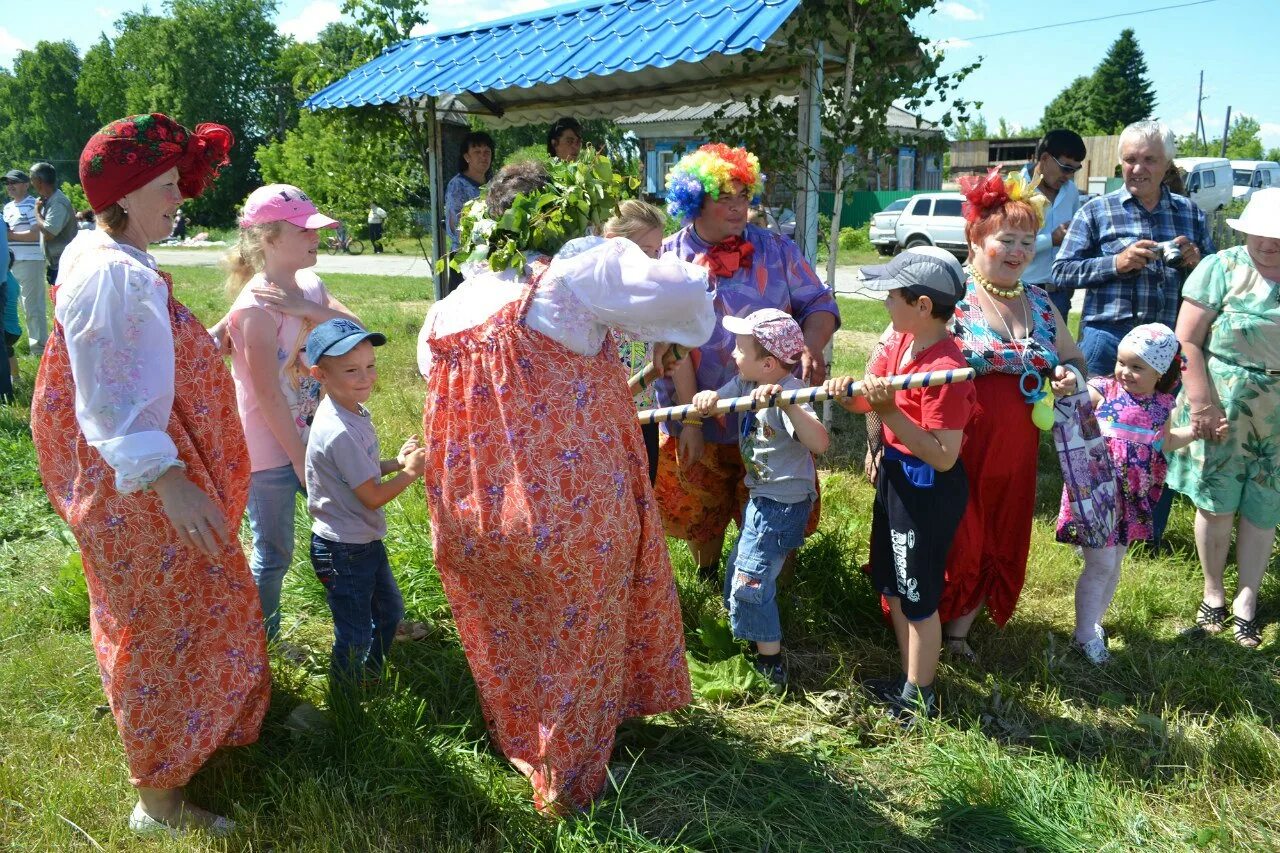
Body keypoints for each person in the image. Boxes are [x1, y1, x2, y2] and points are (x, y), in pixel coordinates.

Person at [417, 158, 715, 812]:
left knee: (511, 629)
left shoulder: (446, 309)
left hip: (469, 509)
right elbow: (690, 306)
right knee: (579, 634)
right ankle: (568, 784)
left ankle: (526, 739)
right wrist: (615, 254)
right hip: (564, 506)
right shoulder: (569, 279)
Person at [30, 113, 268, 834]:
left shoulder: (109, 254)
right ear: (125, 194)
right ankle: (159, 803)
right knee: (159, 622)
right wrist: (169, 479)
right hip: (138, 482)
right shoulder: (113, 274)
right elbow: (111, 393)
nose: (179, 197)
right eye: (166, 185)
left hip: (145, 470)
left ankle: (199, 731)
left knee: (190, 603)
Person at [654, 143, 840, 585]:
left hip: (772, 414)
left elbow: (819, 303)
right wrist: (691, 420)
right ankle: (708, 576)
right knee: (702, 506)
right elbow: (667, 343)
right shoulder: (668, 257)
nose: (739, 207)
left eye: (744, 196)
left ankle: (773, 591)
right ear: (695, 200)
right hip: (699, 409)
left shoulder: (776, 249)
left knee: (777, 506)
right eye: (725, 198)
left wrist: (811, 346)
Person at [940, 168, 1086, 662]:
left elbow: (1074, 358)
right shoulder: (951, 297)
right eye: (1007, 240)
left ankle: (958, 633)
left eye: (1027, 241)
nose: (1019, 251)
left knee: (999, 530)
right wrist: (878, 437)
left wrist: (1068, 375)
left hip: (1017, 449)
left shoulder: (1040, 302)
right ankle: (925, 620)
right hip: (956, 444)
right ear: (975, 239)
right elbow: (892, 358)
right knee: (957, 531)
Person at [826, 247, 974, 724]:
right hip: (896, 478)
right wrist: (850, 395)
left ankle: (921, 695)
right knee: (893, 583)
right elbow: (870, 401)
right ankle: (908, 678)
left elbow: (944, 455)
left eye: (892, 295)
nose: (886, 302)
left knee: (918, 595)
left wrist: (888, 411)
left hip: (927, 490)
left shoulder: (946, 369)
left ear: (923, 305)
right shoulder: (899, 343)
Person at [221, 183, 359, 644]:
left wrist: (305, 308)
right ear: (269, 239)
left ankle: (371, 623)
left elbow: (357, 330)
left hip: (312, 436)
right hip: (270, 452)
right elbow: (267, 397)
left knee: (351, 529)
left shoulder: (309, 288)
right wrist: (300, 461)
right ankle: (263, 645)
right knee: (274, 552)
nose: (316, 237)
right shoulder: (254, 310)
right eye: (304, 231)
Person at [1056, 324, 1213, 664]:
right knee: (1100, 565)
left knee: (1114, 564)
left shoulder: (1161, 405)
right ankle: (1084, 637)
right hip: (1097, 493)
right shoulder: (1105, 390)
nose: (1125, 372)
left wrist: (1193, 433)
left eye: (1137, 367)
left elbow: (1164, 441)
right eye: (1121, 362)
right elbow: (1076, 399)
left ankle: (1093, 624)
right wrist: (1068, 387)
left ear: (1160, 372)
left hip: (1130, 499)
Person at [1166, 188, 1280, 649]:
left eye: (1278, 237)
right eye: (1260, 234)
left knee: (1264, 507)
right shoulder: (1220, 267)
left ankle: (1247, 599)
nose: (1268, 244)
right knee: (1216, 504)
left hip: (1276, 418)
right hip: (1222, 406)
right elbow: (1186, 341)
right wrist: (1202, 405)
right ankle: (1213, 592)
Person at [691, 309, 829, 689]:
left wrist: (788, 405)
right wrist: (707, 399)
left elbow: (819, 443)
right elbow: (718, 403)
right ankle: (748, 637)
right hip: (761, 499)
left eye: (740, 349)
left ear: (768, 364)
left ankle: (770, 664)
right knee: (739, 571)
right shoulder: (745, 382)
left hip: (783, 504)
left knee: (750, 580)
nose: (733, 354)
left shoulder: (791, 392)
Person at [304, 319, 423, 687]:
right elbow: (371, 496)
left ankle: (369, 674)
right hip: (344, 550)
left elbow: (363, 470)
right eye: (351, 370)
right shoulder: (339, 430)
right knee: (354, 631)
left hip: (360, 540)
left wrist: (396, 463)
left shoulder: (351, 410)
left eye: (370, 366)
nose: (366, 377)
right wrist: (411, 473)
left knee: (390, 611)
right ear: (320, 375)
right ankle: (346, 695)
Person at [1053, 120, 1215, 377]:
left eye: (1149, 159)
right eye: (1130, 159)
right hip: (1108, 338)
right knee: (1092, 404)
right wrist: (1116, 263)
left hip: (1167, 340)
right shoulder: (1095, 210)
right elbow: (1061, 272)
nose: (1138, 169)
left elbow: (1216, 277)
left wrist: (1197, 261)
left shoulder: (1189, 212)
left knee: (1166, 405)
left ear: (1167, 164)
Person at [601, 198, 669, 481]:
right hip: (603, 424)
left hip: (643, 420)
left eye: (656, 251)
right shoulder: (593, 297)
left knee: (643, 494)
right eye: (643, 250)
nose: (651, 259)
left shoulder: (653, 294)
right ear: (613, 242)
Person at [1021, 130, 1085, 320]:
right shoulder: (1015, 188)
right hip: (1020, 291)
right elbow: (1006, 245)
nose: (1069, 176)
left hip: (1059, 294)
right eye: (1066, 168)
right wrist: (1052, 239)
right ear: (1045, 158)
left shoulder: (1071, 191)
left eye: (1075, 170)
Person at [444, 130, 495, 291]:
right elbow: (455, 228)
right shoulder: (457, 185)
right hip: (465, 257)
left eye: (487, 152)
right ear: (467, 157)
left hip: (491, 256)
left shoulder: (495, 184)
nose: (483, 156)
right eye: (477, 152)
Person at [3, 168, 46, 352]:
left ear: (26, 185)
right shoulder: (7, 207)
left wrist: (10, 236)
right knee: (16, 305)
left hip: (30, 261)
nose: (9, 186)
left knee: (32, 306)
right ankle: (19, 343)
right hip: (11, 263)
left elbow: (37, 235)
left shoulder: (33, 205)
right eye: (7, 183)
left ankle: (38, 348)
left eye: (14, 182)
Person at [28, 162, 78, 285]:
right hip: (58, 263)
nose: (31, 183)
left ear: (39, 180)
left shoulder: (58, 202)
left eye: (32, 179)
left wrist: (37, 212)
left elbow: (49, 233)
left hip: (65, 264)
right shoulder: (49, 200)